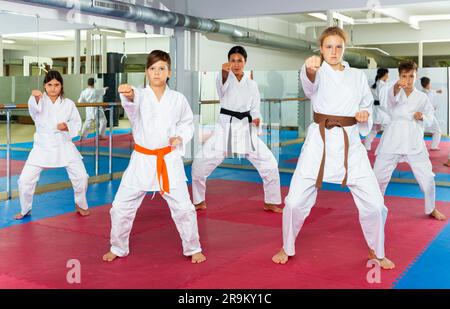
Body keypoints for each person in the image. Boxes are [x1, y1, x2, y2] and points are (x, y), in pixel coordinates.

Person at [271, 27, 395, 269]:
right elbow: (309, 86)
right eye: (329, 46)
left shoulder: (358, 76)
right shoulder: (315, 70)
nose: (334, 51)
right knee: (294, 201)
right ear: (321, 48)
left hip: (351, 144)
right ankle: (287, 245)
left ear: (345, 48)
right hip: (319, 142)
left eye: (339, 46)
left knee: (376, 204)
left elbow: (367, 104)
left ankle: (376, 249)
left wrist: (364, 113)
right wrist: (309, 69)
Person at [102, 50, 206, 263]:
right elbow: (131, 102)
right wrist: (128, 92)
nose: (157, 73)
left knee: (184, 208)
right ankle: (118, 247)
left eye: (162, 68)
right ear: (146, 72)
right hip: (142, 160)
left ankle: (193, 247)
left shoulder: (178, 99)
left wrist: (180, 137)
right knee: (120, 207)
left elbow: (187, 123)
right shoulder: (140, 95)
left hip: (168, 160)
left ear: (169, 72)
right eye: (152, 68)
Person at [191, 46, 282, 213]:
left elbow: (255, 108)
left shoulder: (252, 84)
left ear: (245, 62)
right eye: (232, 60)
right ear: (228, 62)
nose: (236, 64)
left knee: (270, 164)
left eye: (239, 60)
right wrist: (224, 72)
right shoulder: (223, 78)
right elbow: (222, 85)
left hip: (246, 129)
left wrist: (256, 120)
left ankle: (271, 201)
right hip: (226, 128)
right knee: (199, 164)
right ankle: (198, 201)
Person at [373, 60, 446, 221]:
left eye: (411, 76)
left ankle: (431, 208)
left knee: (427, 179)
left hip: (413, 141)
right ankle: (375, 209)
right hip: (392, 140)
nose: (408, 79)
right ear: (399, 76)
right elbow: (387, 103)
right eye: (404, 76)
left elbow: (431, 117)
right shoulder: (392, 90)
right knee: (377, 178)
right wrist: (397, 86)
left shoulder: (422, 97)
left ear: (416, 76)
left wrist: (423, 117)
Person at [14, 70, 90, 220]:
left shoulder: (68, 104)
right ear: (44, 86)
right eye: (49, 85)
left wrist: (66, 126)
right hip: (42, 146)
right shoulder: (39, 101)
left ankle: (81, 204)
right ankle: (25, 208)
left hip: (64, 145)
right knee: (25, 180)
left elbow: (77, 123)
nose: (53, 88)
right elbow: (34, 110)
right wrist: (35, 97)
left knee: (82, 176)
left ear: (61, 86)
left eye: (56, 84)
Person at [364, 68, 390, 151]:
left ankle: (366, 146)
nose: (388, 76)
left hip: (375, 110)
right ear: (385, 75)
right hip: (383, 111)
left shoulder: (373, 85)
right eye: (387, 74)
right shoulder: (384, 86)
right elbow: (384, 101)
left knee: (373, 130)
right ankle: (384, 148)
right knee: (389, 130)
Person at [420, 76, 443, 151]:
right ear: (427, 84)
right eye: (430, 83)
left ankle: (432, 146)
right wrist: (433, 108)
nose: (430, 85)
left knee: (420, 131)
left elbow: (432, 91)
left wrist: (437, 91)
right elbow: (428, 105)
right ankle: (433, 146)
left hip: (425, 115)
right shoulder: (426, 94)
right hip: (427, 115)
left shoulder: (424, 92)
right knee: (437, 130)